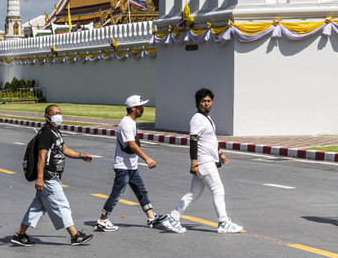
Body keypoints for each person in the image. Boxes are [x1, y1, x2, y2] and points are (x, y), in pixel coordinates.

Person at [161, 88, 244, 234]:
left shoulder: (207, 118)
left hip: (206, 161)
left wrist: (220, 153)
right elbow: (193, 141)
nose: (206, 104)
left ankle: (173, 217)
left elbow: (209, 140)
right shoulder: (197, 119)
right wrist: (194, 162)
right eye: (203, 101)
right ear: (197, 103)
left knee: (194, 193)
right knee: (218, 190)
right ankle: (223, 221)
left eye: (209, 101)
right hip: (204, 162)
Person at [11, 104, 94, 247]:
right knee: (61, 205)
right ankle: (75, 235)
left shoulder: (55, 132)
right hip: (49, 178)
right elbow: (41, 156)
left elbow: (64, 149)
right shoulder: (46, 134)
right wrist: (40, 178)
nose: (58, 116)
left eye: (59, 113)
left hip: (53, 177)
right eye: (55, 114)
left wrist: (81, 156)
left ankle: (20, 234)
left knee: (37, 208)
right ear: (47, 117)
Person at [95, 95, 167, 232]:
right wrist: (147, 158)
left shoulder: (131, 122)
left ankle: (151, 217)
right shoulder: (126, 123)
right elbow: (132, 145)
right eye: (140, 106)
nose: (143, 109)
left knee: (141, 191)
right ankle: (102, 220)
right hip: (123, 167)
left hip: (131, 166)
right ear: (133, 108)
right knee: (116, 194)